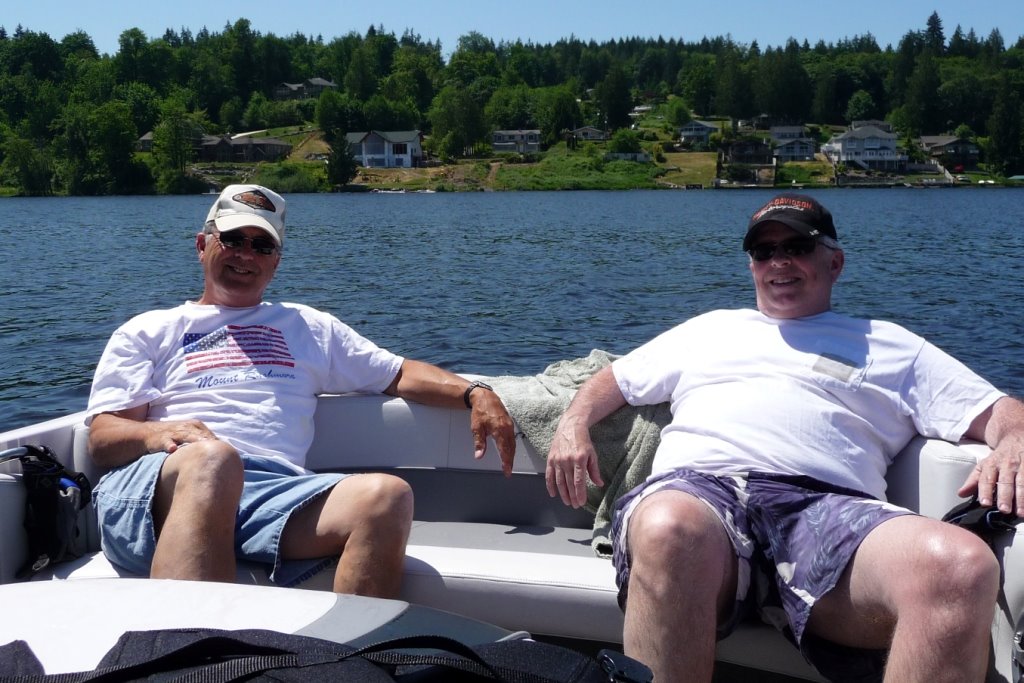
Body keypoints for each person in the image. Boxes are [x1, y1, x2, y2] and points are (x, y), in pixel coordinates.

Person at [545, 193, 1024, 682]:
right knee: (668, 527)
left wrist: (1013, 443)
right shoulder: (708, 330)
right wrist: (573, 423)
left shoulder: (891, 346)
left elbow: (1002, 412)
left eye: (797, 247)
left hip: (828, 508)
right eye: (764, 251)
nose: (779, 262)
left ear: (834, 263)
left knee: (962, 567)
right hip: (702, 492)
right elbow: (615, 380)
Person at [86, 184, 516, 598]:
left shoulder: (309, 328)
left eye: (262, 246)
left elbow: (398, 374)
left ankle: (352, 645)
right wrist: (159, 433)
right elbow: (103, 439)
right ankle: (193, 646)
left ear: (276, 262)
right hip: (164, 487)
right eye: (233, 240)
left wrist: (476, 392)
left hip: (270, 493)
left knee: (387, 497)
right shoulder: (148, 330)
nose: (246, 255)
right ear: (202, 245)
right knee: (214, 460)